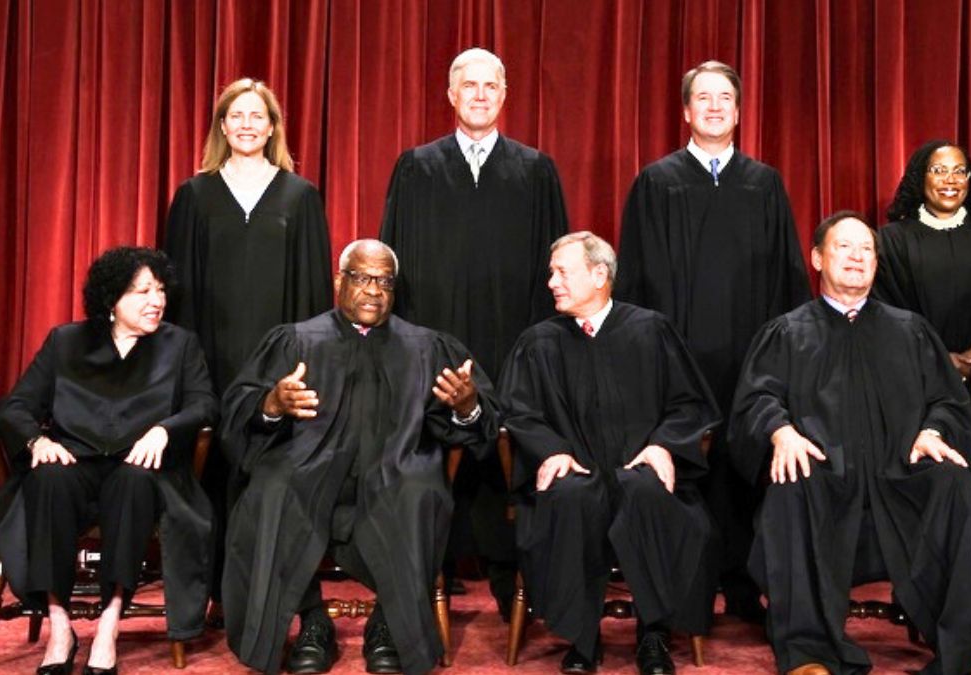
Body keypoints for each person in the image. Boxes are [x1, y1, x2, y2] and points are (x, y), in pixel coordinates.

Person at [729, 212, 971, 675]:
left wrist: (933, 431)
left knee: (959, 488)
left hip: (903, 475)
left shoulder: (911, 331)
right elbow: (755, 399)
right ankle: (809, 653)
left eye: (867, 249)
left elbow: (948, 400)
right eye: (845, 247)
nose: (857, 257)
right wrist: (781, 431)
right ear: (818, 258)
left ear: (877, 264)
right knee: (790, 485)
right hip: (824, 477)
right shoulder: (786, 332)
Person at [219, 240, 498, 675]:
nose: (374, 290)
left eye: (384, 281)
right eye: (363, 278)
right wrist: (272, 403)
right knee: (271, 492)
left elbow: (478, 426)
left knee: (420, 492)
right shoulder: (295, 340)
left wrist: (467, 407)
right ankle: (313, 622)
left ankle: (387, 625)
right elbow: (239, 412)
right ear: (339, 281)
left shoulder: (427, 348)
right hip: (308, 466)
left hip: (394, 468)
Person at [615, 60, 810, 620]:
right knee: (684, 463)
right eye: (704, 97)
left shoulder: (765, 184)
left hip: (751, 358)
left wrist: (782, 358)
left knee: (744, 460)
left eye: (725, 97)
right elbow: (635, 276)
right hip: (679, 355)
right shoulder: (656, 182)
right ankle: (684, 590)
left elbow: (786, 277)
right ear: (685, 111)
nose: (716, 106)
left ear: (739, 111)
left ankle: (745, 581)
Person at [380, 47, 568, 614]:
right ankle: (434, 565)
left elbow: (554, 264)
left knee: (506, 452)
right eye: (470, 85)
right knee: (435, 451)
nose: (481, 95)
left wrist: (542, 346)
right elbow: (393, 263)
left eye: (492, 86)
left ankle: (510, 571)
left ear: (504, 96)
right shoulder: (416, 167)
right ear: (451, 95)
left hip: (512, 337)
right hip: (436, 338)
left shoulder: (535, 170)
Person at [500, 232, 721, 675]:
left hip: (638, 468)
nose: (551, 283)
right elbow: (518, 413)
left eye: (562, 272)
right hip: (577, 472)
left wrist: (663, 446)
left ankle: (654, 633)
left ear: (600, 275)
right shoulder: (539, 341)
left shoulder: (651, 330)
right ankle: (583, 638)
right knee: (572, 497)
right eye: (551, 273)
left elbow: (691, 405)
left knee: (647, 492)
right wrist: (552, 451)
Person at [0, 247, 217, 675]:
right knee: (47, 479)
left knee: (133, 482)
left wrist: (165, 428)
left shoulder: (179, 344)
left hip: (140, 467)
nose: (157, 300)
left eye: (161, 289)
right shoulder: (65, 341)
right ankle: (61, 626)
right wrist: (36, 440)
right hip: (76, 463)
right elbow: (14, 406)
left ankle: (110, 623)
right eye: (142, 291)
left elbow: (205, 404)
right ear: (111, 300)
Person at [163, 77, 333, 605]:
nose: (246, 125)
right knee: (212, 473)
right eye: (236, 115)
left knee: (274, 473)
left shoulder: (299, 196)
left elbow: (312, 290)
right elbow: (177, 289)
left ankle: (273, 591)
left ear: (272, 127)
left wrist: (303, 366)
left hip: (276, 367)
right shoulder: (194, 196)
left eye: (257, 116)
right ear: (221, 125)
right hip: (209, 359)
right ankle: (213, 591)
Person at [874, 139, 971, 379]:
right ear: (920, 177)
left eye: (959, 171)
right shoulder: (892, 241)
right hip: (914, 373)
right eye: (939, 171)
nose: (951, 180)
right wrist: (937, 358)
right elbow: (886, 307)